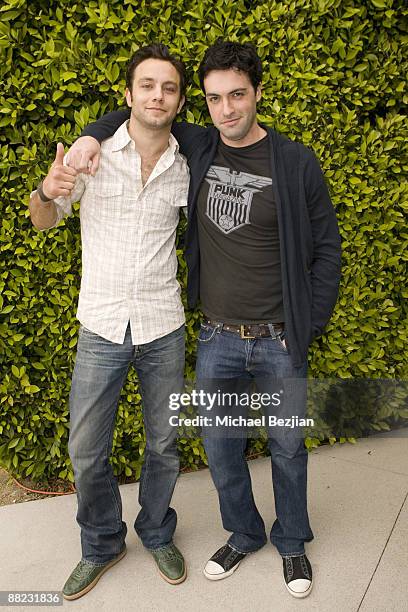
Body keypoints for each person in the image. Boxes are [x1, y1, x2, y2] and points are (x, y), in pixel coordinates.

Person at [67, 40, 341, 599]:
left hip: (279, 339)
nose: (227, 109)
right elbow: (143, 109)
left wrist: (305, 326)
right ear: (206, 106)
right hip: (217, 336)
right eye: (215, 98)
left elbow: (327, 249)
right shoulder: (200, 145)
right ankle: (243, 532)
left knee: (287, 447)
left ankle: (292, 542)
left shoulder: (294, 162)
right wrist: (91, 135)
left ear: (257, 94)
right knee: (220, 445)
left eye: (237, 95)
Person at [28, 43, 190, 600]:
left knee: (164, 444)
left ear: (179, 100)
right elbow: (44, 219)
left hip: (163, 325)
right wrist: (47, 191)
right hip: (100, 326)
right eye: (147, 85)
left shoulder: (188, 165)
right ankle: (101, 543)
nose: (157, 95)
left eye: (168, 88)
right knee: (85, 449)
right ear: (128, 95)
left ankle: (156, 532)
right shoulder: (90, 155)